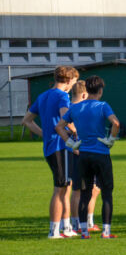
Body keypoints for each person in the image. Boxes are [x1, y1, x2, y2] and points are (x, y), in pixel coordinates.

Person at [55, 76, 120, 239]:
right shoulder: (103, 106)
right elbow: (116, 123)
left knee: (85, 193)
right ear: (100, 91)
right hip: (101, 154)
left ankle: (84, 231)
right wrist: (111, 140)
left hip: (83, 155)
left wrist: (71, 143)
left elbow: (59, 127)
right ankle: (106, 232)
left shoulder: (75, 108)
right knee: (106, 193)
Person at [22, 65, 79, 239]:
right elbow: (65, 117)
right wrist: (76, 131)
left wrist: (44, 134)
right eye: (74, 82)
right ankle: (54, 231)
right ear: (68, 80)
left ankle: (66, 227)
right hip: (60, 147)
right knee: (60, 189)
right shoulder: (62, 96)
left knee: (66, 187)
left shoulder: (43, 95)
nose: (73, 85)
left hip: (50, 147)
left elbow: (27, 120)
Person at [69, 80, 101, 233]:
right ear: (84, 95)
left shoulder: (70, 108)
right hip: (84, 153)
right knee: (85, 189)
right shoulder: (79, 109)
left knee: (85, 189)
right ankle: (83, 223)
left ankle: (81, 222)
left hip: (79, 153)